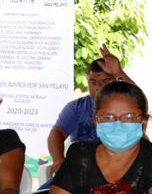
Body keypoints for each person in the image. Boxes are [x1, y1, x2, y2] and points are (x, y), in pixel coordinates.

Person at [47, 45, 135, 174]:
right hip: (82, 169)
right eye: (93, 82)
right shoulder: (75, 108)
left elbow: (137, 100)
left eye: (105, 81)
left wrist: (118, 73)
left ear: (115, 81)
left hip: (118, 169)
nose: (98, 87)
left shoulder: (123, 105)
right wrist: (59, 160)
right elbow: (57, 133)